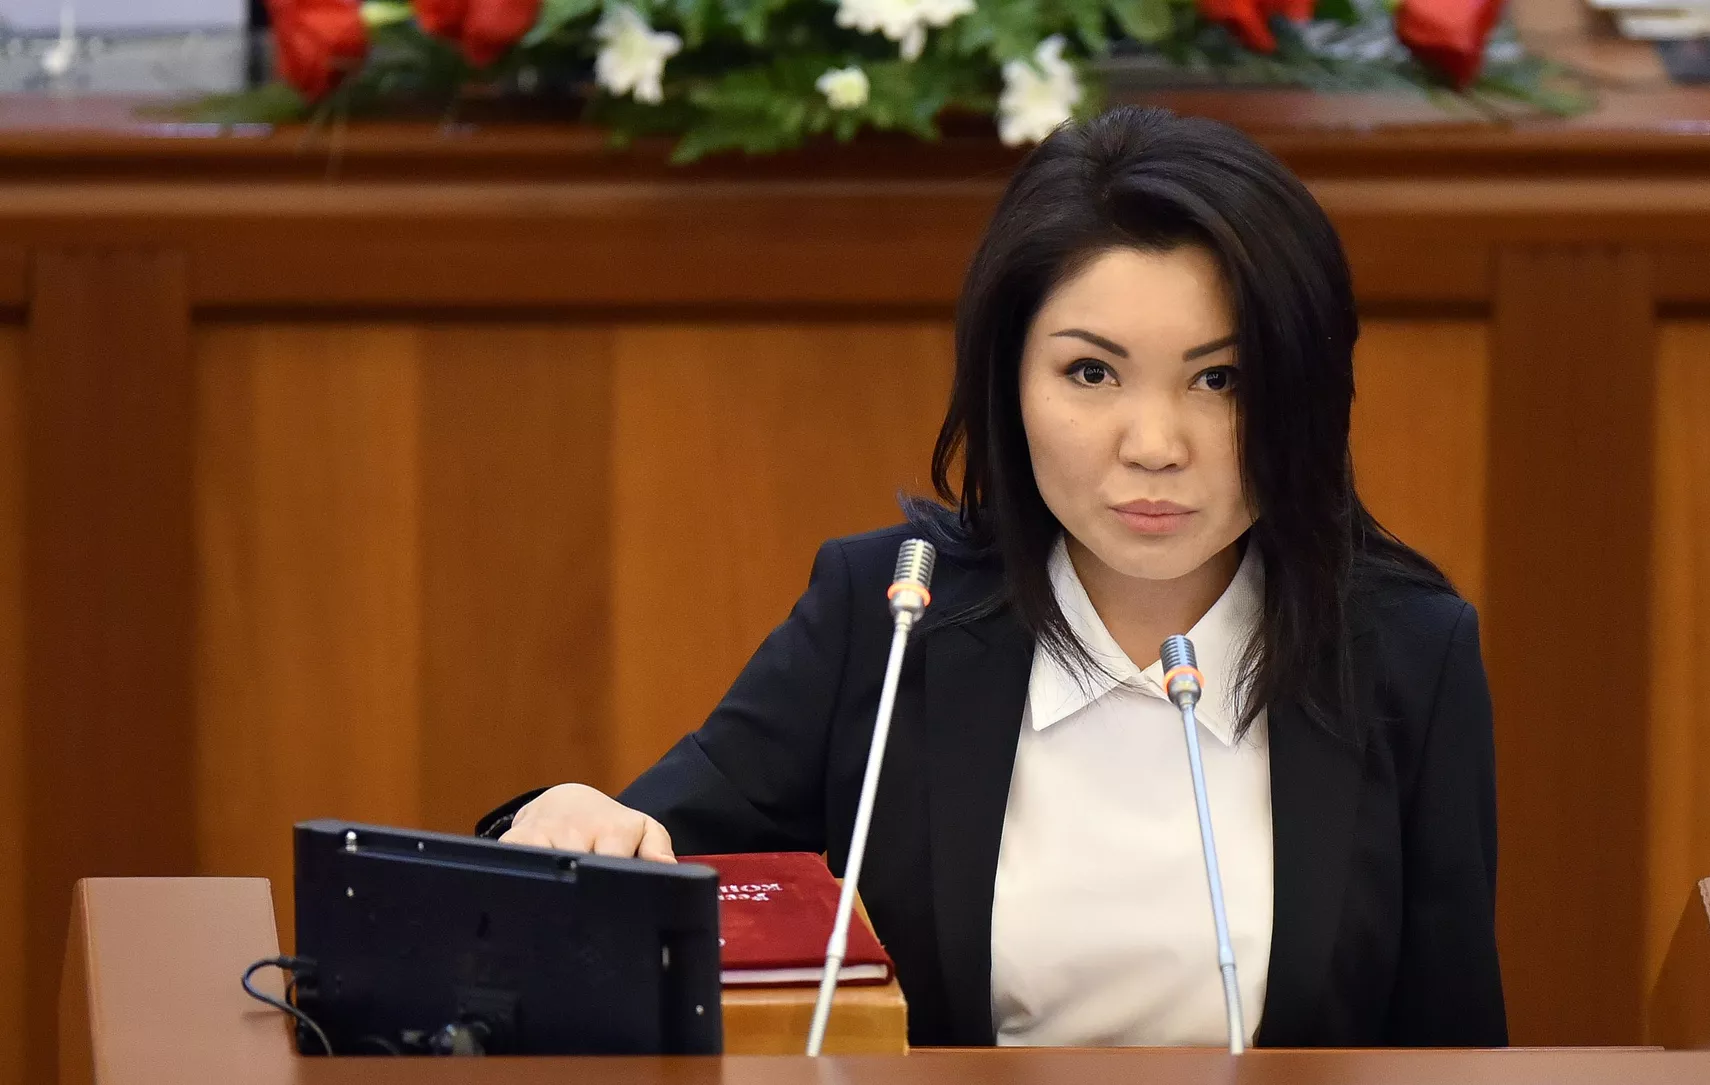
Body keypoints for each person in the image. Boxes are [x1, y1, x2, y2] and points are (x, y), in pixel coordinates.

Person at [477, 105, 1505, 1050]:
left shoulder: (1407, 654)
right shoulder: (891, 614)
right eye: (1091, 372)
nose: (1155, 444)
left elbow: (1454, 1046)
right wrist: (562, 818)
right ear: (1007, 378)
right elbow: (628, 872)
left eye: (1220, 379)